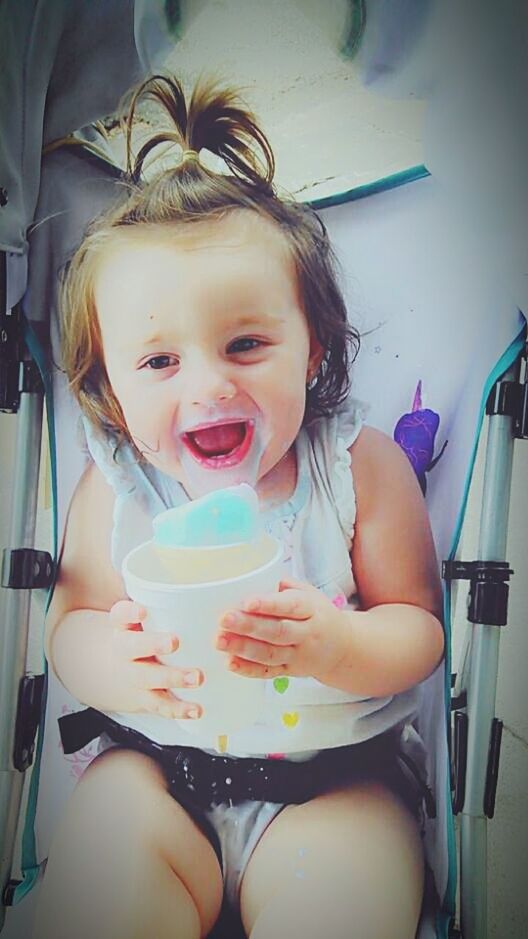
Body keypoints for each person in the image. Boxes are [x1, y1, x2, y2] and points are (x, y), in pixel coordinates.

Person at [35, 75, 445, 939]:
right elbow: (71, 623)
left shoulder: (354, 468)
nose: (210, 384)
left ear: (313, 347)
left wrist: (336, 643)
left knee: (341, 902)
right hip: (156, 775)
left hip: (335, 781)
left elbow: (418, 627)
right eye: (158, 362)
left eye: (247, 343)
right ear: (107, 383)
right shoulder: (120, 488)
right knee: (104, 872)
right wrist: (117, 659)